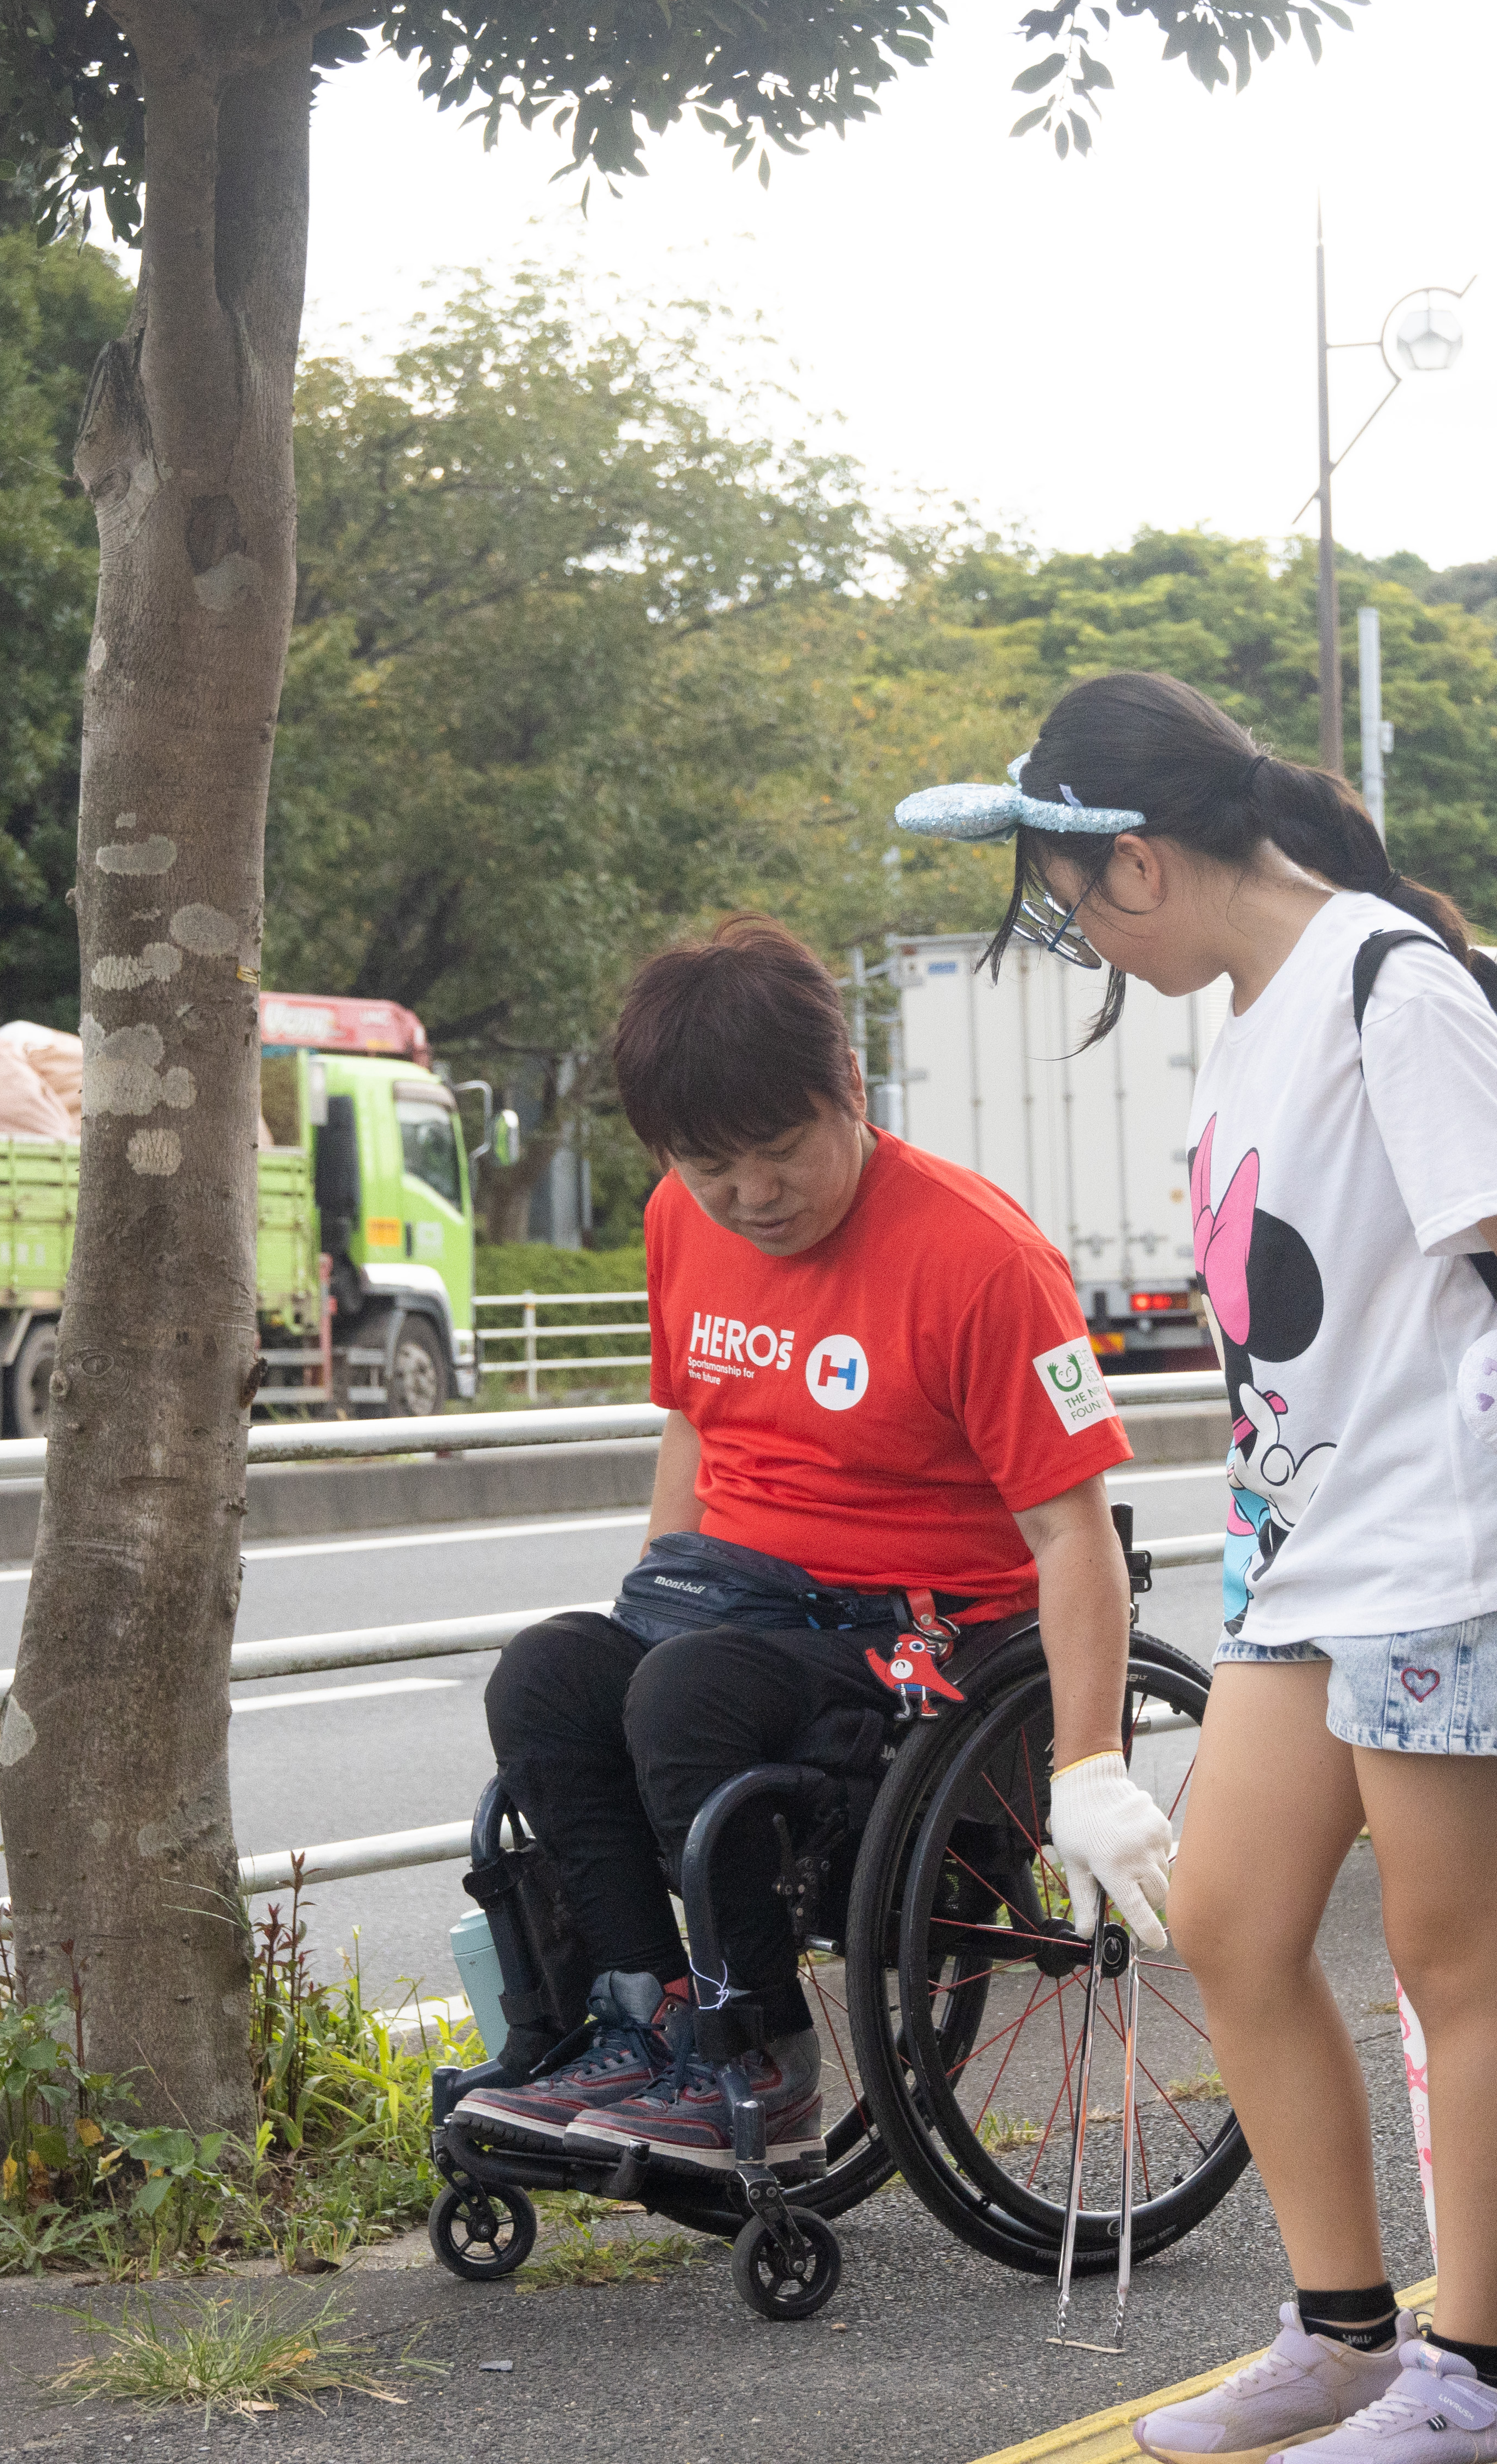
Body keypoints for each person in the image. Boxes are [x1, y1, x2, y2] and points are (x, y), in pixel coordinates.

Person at [896, 672, 1497, 2464]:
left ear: (1132, 865)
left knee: (1455, 1957)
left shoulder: (1383, 984)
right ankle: (1346, 2334)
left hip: (1445, 1538)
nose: (1086, 945)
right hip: (1310, 1553)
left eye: (1068, 904)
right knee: (1230, 1923)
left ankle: (1481, 2378)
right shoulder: (1265, 1001)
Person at [450, 916, 1171, 2172]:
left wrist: (1091, 1761)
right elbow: (693, 1425)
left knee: (685, 1690)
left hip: (921, 1640)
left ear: (848, 1087)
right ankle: (638, 2019)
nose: (750, 1197)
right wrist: (643, 1607)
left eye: (779, 1153)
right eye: (708, 1167)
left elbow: (1073, 1527)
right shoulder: (684, 1221)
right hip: (739, 1610)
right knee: (553, 1672)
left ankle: (758, 2056)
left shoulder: (979, 1255)